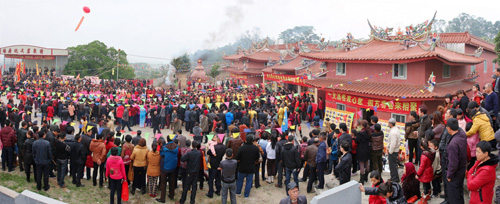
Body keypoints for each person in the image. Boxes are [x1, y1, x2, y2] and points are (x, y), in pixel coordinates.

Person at [445, 118, 467, 204]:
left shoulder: (453, 144)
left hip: (455, 174)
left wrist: (449, 176)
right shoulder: (462, 134)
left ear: (449, 128)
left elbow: (453, 163)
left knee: (454, 197)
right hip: (461, 169)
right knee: (459, 194)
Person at [157, 135, 178, 203]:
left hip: (165, 166)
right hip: (173, 166)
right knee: (172, 181)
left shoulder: (164, 147)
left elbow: (161, 154)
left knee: (163, 183)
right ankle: (171, 195)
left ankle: (162, 198)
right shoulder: (176, 147)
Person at [355, 120, 371, 185]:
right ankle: (366, 177)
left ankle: (361, 180)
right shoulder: (368, 132)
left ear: (362, 125)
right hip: (367, 149)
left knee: (361, 164)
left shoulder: (360, 133)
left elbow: (356, 141)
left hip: (361, 149)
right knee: (367, 163)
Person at [387, 118, 400, 183]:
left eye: (389, 123)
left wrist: (390, 152)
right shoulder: (396, 129)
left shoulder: (393, 132)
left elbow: (393, 144)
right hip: (395, 150)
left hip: (393, 151)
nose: (388, 124)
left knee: (392, 166)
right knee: (393, 165)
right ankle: (393, 177)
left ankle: (394, 179)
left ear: (391, 124)